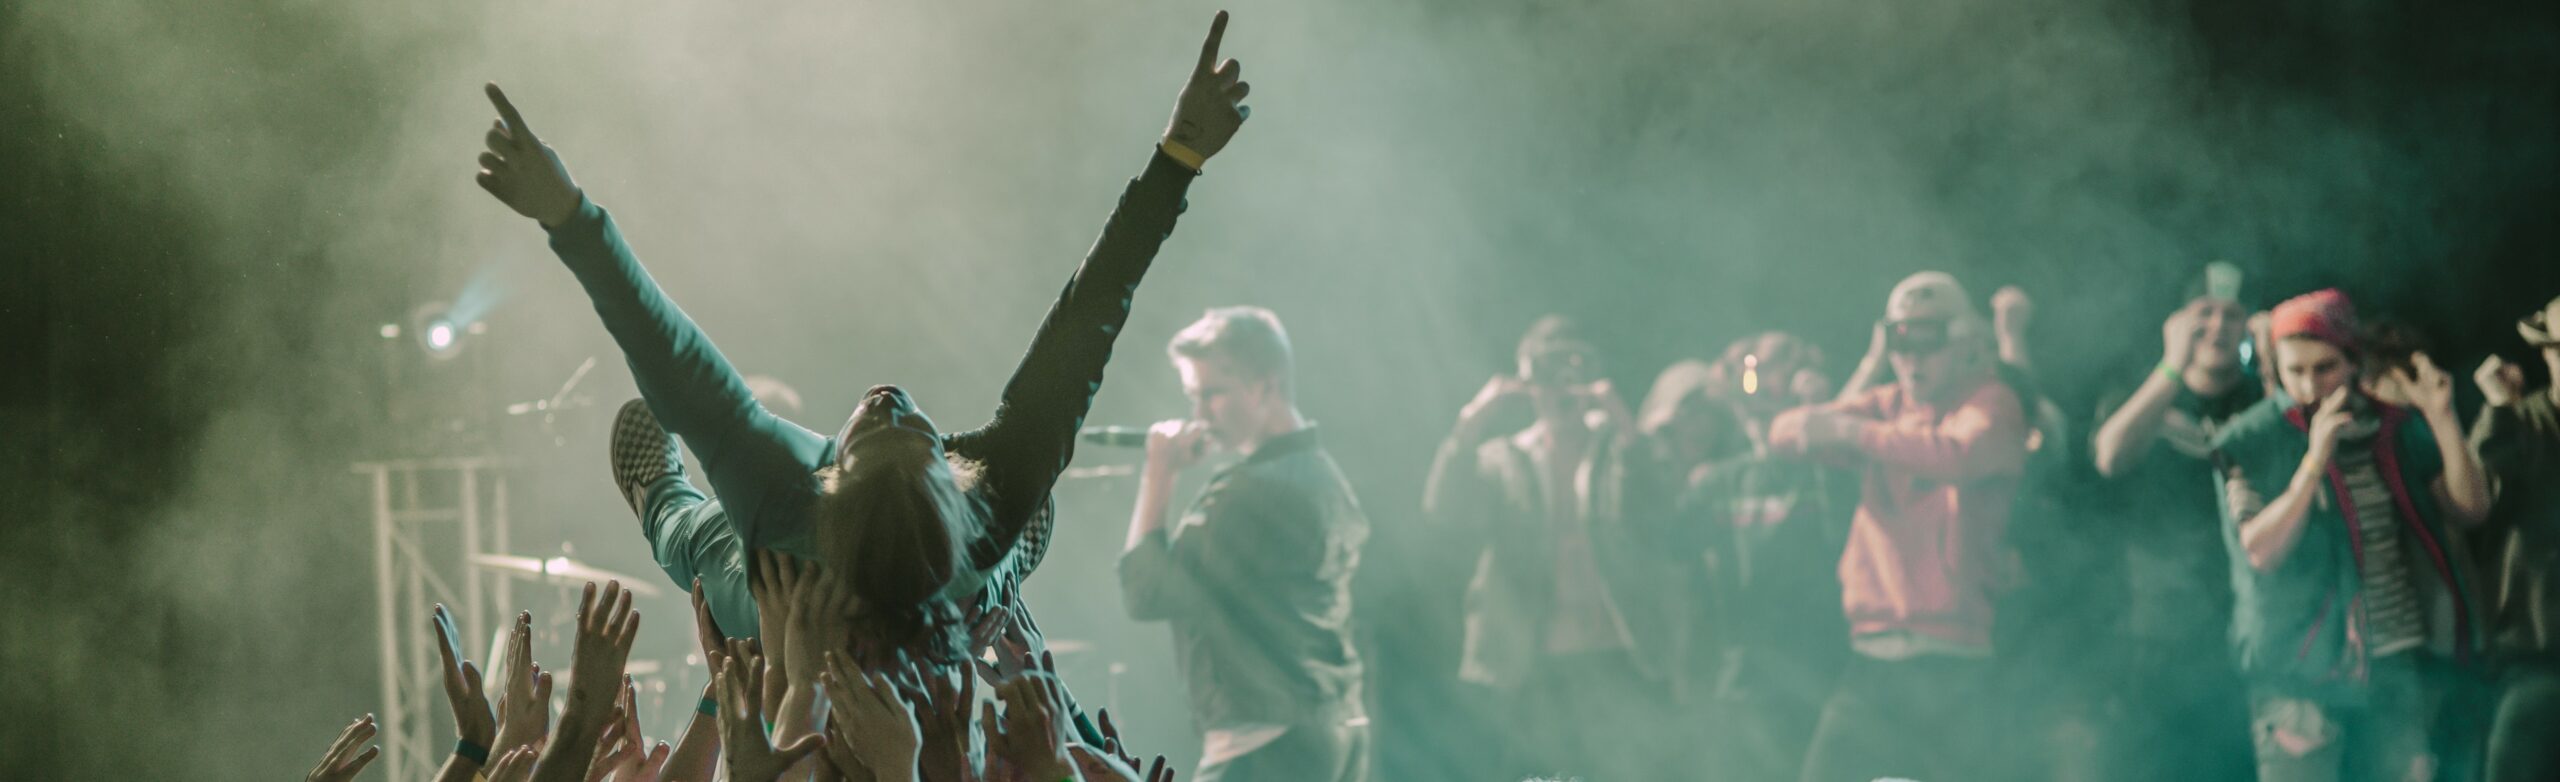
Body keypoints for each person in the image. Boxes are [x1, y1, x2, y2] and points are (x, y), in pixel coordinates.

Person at [471, 12, 1252, 663]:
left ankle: (658, 501)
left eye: (876, 423)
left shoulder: (785, 504)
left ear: (830, 475)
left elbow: (673, 365)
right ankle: (1009, 569)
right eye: (921, 430)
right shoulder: (993, 500)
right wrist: (1177, 158)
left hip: (799, 593)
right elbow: (1090, 319)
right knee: (1006, 538)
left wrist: (571, 218)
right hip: (963, 568)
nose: (893, 400)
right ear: (957, 484)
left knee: (706, 543)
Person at [2212, 288, 2493, 782]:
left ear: (2352, 362)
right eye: (2294, 370)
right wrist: (2315, 459)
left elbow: (2471, 509)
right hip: (2303, 671)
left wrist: (2442, 416)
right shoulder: (2250, 439)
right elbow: (2261, 550)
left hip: (2392, 658)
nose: (2308, 386)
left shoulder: (2392, 427)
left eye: (2325, 368)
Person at [1768, 271, 2031, 782]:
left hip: (1953, 663)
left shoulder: (1992, 401)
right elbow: (1784, 433)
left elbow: (1960, 455)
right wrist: (1863, 383)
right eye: (1899, 342)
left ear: (1963, 344)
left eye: (1926, 342)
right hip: (1872, 655)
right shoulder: (1886, 404)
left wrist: (1854, 432)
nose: (1911, 359)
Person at [1421, 315, 1684, 781]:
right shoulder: (1507, 458)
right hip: (1537, 661)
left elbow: (1662, 508)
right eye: (1547, 373)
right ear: (1528, 382)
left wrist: (1623, 420)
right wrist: (1471, 421)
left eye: (1573, 369)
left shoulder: (1621, 449)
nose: (1561, 389)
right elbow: (1446, 511)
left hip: (1618, 655)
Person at [1117, 306, 1372, 782]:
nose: (1199, 415)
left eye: (1212, 394)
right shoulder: (1323, 476)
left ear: (1266, 386)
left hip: (1265, 744)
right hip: (1335, 722)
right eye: (1193, 397)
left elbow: (1144, 591)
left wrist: (1159, 475)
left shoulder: (1247, 494)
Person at [2085, 269, 2263, 782]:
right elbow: (2111, 456)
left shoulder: (2262, 398)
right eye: (2204, 312)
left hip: (2244, 639)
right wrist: (2172, 364)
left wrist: (2270, 360)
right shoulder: (2142, 389)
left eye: (2232, 315)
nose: (2218, 326)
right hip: (2156, 637)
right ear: (2179, 323)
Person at [1678, 331, 1856, 782]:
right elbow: (1663, 545)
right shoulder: (1719, 482)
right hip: (1745, 680)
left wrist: (1820, 419)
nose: (1755, 405)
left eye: (1770, 389)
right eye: (1743, 392)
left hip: (1823, 674)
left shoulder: (1827, 469)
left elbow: (1846, 536)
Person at [2471, 293, 2560, 782]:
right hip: (2536, 658)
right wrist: (2500, 409)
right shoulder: (2518, 422)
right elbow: (2477, 506)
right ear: (2546, 353)